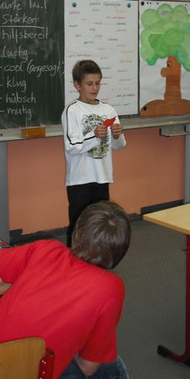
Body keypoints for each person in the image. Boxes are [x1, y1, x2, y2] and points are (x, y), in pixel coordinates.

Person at [0, 200, 132, 379]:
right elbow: (88, 368)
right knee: (113, 367)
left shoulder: (46, 249)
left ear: (76, 232)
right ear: (121, 250)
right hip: (21, 370)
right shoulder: (111, 288)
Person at [62, 60, 126, 246]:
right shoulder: (72, 110)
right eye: (89, 83)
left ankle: (98, 256)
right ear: (77, 85)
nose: (95, 88)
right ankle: (72, 259)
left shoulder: (108, 109)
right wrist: (94, 135)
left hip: (102, 177)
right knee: (79, 225)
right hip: (79, 179)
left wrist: (117, 135)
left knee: (101, 225)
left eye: (98, 83)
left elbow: (119, 146)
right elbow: (72, 146)